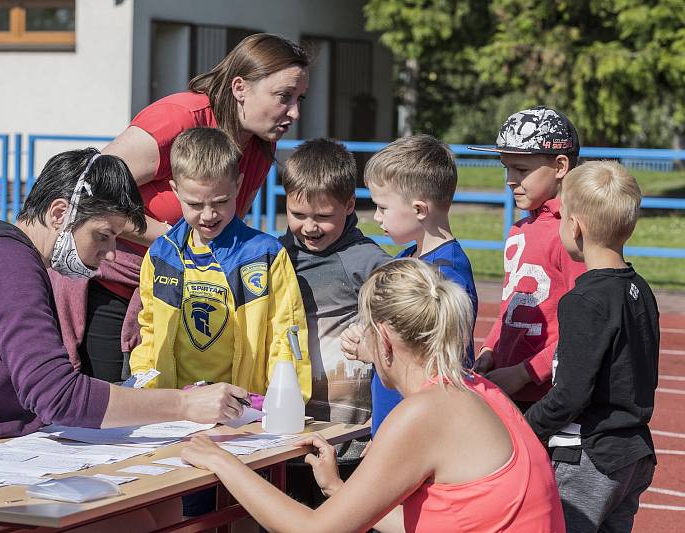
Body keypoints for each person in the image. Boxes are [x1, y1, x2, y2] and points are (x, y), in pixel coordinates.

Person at [0, 148, 248, 465]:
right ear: (60, 213)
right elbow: (57, 395)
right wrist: (183, 406)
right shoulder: (5, 262)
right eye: (103, 236)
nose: (109, 254)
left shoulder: (6, 258)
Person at [182, 259, 565, 533]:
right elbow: (434, 522)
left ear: (384, 339)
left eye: (363, 329)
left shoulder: (425, 413)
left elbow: (312, 528)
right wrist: (338, 489)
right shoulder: (478, 390)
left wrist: (222, 460)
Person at [53, 33, 311, 383]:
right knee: (117, 405)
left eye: (300, 98)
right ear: (240, 88)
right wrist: (172, 241)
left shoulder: (259, 147)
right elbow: (86, 191)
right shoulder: (178, 118)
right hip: (111, 284)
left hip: (186, 291)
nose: (295, 112)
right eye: (284, 97)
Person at [127, 126, 311, 520]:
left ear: (239, 184)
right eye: (195, 203)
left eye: (221, 202)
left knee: (240, 512)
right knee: (183, 513)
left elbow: (287, 332)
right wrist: (146, 387)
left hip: (246, 416)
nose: (208, 215)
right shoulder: (163, 253)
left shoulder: (263, 254)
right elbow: (148, 328)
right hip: (176, 416)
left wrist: (288, 402)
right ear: (174, 189)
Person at [524, 161, 659, 532]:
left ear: (576, 226)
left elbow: (570, 394)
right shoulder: (640, 290)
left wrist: (524, 428)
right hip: (633, 452)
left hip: (590, 456)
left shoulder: (583, 301)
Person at [340, 135, 478, 438]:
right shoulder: (406, 258)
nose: (376, 217)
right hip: (396, 426)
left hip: (422, 432)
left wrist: (371, 351)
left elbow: (435, 361)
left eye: (382, 207)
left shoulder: (446, 275)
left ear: (419, 209)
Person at [278, 138, 391, 505]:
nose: (310, 227)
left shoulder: (366, 261)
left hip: (348, 432)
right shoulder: (274, 255)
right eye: (298, 214)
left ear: (349, 205)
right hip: (290, 424)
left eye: (323, 217)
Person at [470, 106, 587, 409]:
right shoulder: (519, 230)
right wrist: (489, 350)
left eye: (521, 170)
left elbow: (585, 326)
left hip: (548, 397)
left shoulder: (573, 234)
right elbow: (510, 306)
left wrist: (526, 373)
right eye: (506, 168)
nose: (510, 179)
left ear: (560, 165)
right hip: (510, 387)